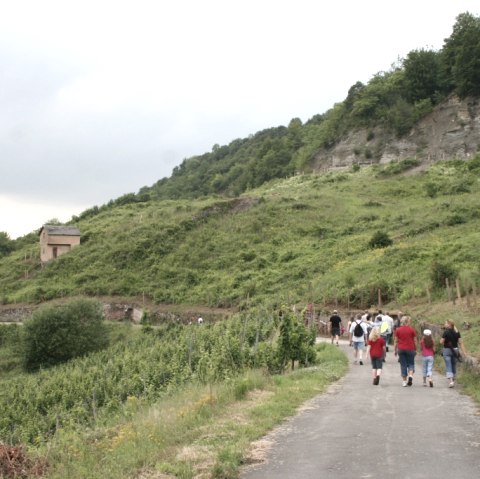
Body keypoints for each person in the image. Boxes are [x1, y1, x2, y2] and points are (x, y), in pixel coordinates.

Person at [440, 320, 467, 388]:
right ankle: (453, 377)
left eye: (446, 323)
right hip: (455, 350)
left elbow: (441, 342)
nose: (444, 324)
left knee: (448, 365)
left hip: (447, 350)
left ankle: (451, 381)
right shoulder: (457, 332)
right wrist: (464, 352)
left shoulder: (445, 332)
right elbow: (460, 343)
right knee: (454, 364)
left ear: (449, 324)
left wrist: (444, 341)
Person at [393, 315, 417, 387]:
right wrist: (415, 349)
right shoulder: (412, 330)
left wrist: (395, 350)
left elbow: (396, 341)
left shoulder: (398, 330)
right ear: (407, 321)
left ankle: (404, 381)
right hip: (410, 349)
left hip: (401, 349)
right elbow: (415, 340)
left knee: (403, 365)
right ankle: (410, 375)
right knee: (411, 363)